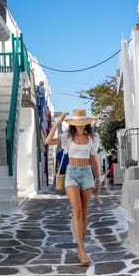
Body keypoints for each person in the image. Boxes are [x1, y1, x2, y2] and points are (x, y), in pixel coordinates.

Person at [45, 109, 101, 265]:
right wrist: (58, 122)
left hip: (87, 174)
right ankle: (81, 249)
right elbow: (48, 141)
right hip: (71, 174)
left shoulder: (92, 138)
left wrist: (98, 181)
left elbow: (94, 161)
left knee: (84, 212)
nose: (81, 126)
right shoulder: (67, 137)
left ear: (86, 123)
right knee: (76, 210)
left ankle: (80, 247)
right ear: (73, 125)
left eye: (83, 123)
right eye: (78, 124)